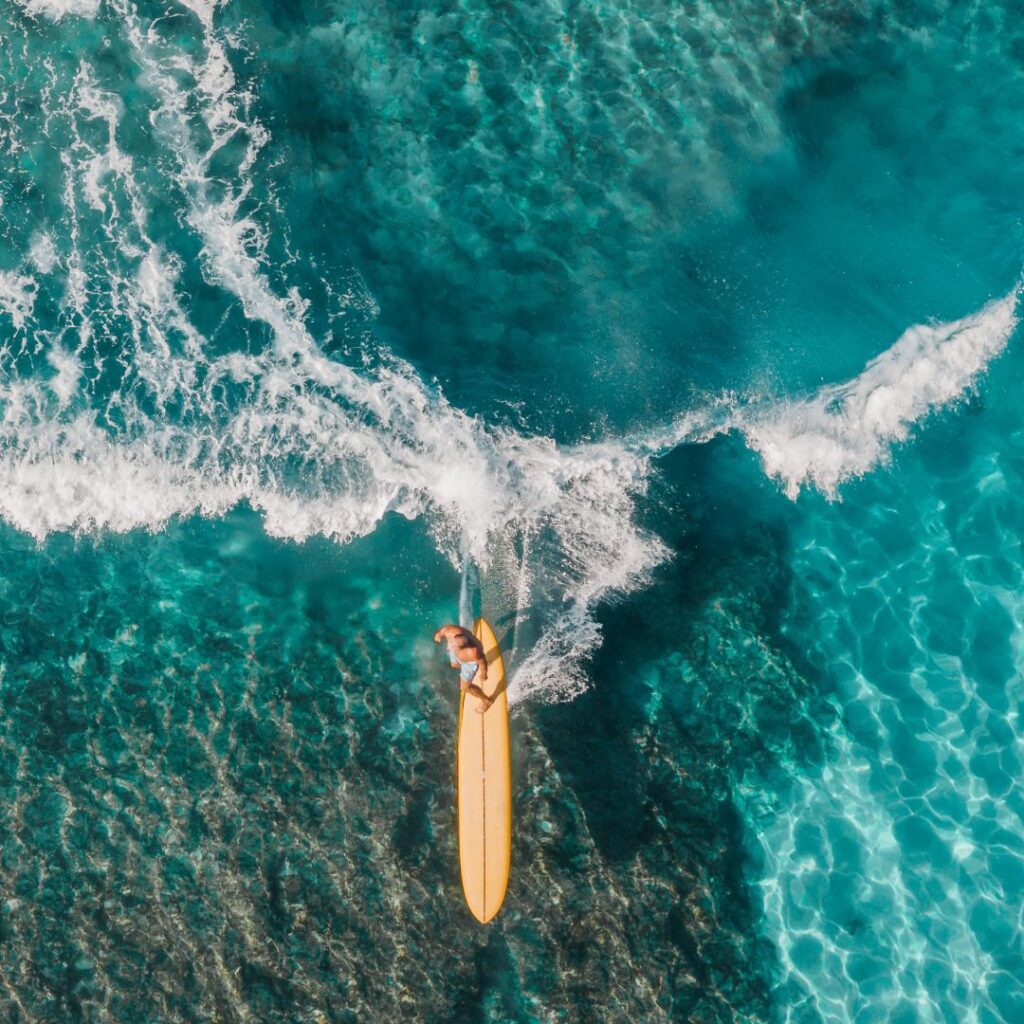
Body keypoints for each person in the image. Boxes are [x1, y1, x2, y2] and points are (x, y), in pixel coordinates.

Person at [434, 624, 493, 713]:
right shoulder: (451, 633)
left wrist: (484, 674)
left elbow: (482, 663)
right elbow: (441, 632)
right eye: (451, 642)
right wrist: (438, 636)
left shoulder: (473, 653)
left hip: (469, 663)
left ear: (463, 647)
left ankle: (486, 701)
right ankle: (462, 672)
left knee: (465, 688)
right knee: (454, 665)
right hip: (459, 654)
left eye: (453, 645)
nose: (448, 646)